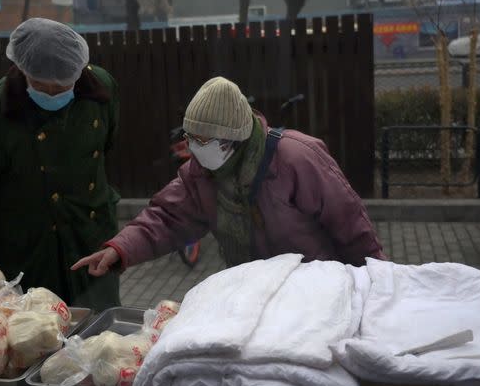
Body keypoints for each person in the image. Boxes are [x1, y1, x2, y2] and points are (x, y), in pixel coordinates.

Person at [72, 77, 385, 278]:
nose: (192, 147)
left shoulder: (296, 157)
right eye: (189, 136)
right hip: (252, 293)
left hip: (316, 293)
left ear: (231, 139)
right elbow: (166, 218)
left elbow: (351, 225)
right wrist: (119, 249)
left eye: (202, 140)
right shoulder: (200, 174)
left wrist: (378, 283)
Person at [0, 18, 121, 311]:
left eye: (63, 85)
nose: (53, 93)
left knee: (99, 325)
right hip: (27, 247)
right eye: (42, 85)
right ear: (22, 70)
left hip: (90, 233)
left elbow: (105, 145)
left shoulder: (100, 90)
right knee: (36, 333)